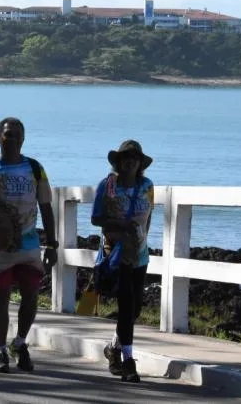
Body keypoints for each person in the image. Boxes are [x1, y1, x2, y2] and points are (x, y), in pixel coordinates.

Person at [0, 117, 57, 374]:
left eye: (18, 135)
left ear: (24, 139)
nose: (13, 139)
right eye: (8, 134)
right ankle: (0, 349)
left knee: (31, 295)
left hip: (29, 244)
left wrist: (52, 244)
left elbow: (46, 207)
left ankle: (19, 342)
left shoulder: (35, 168)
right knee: (1, 298)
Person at [92, 140, 156, 384]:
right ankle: (128, 361)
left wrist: (140, 238)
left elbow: (148, 217)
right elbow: (97, 217)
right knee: (127, 304)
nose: (130, 161)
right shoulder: (109, 185)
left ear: (140, 163)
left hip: (139, 254)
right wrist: (121, 227)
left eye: (135, 158)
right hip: (117, 255)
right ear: (118, 161)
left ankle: (113, 347)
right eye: (125, 157)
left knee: (135, 308)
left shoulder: (147, 186)